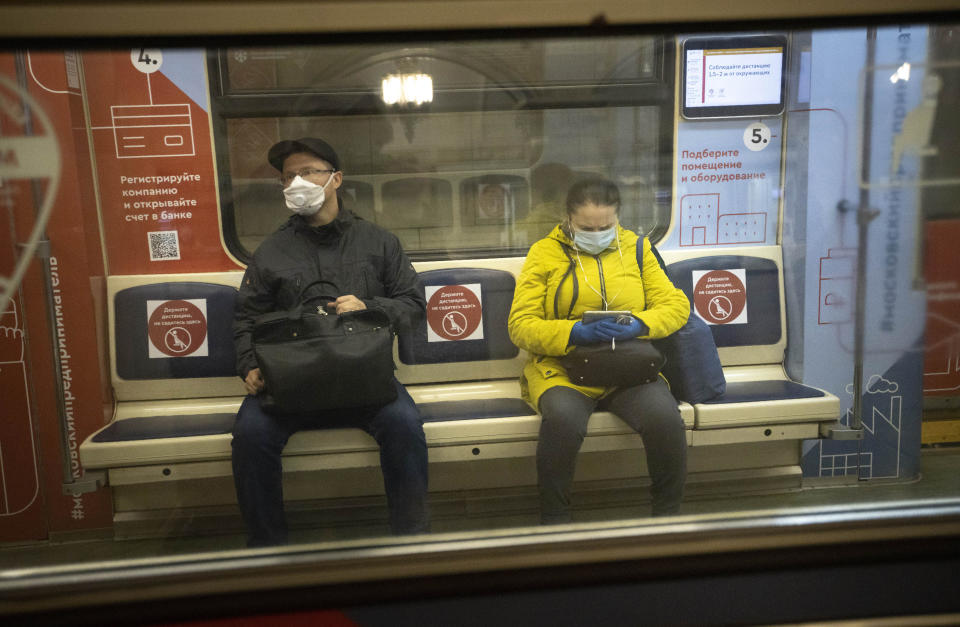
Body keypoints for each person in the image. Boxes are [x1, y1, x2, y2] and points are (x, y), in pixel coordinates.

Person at [232, 137, 429, 546]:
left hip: (365, 379)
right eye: (288, 176)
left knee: (405, 426)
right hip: (291, 381)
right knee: (250, 437)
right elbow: (246, 317)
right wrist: (250, 364)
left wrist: (369, 306)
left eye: (308, 172)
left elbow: (412, 305)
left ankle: (412, 543)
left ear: (336, 179)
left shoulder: (379, 243)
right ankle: (266, 550)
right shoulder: (270, 252)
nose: (296, 182)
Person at [508, 178, 689, 524]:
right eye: (586, 227)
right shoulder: (544, 254)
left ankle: (667, 523)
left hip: (628, 369)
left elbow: (675, 306)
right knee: (562, 421)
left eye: (605, 226)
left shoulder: (637, 249)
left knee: (665, 420)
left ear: (618, 218)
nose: (597, 233)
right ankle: (556, 525)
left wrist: (640, 324)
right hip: (563, 367)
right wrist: (573, 331)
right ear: (568, 219)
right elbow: (520, 325)